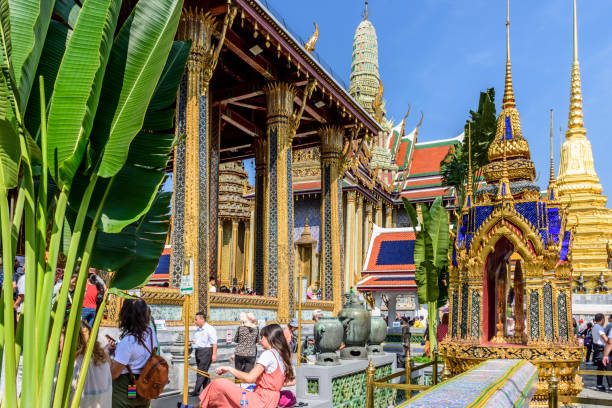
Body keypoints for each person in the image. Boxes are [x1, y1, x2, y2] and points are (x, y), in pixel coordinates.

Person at [199, 323, 295, 408]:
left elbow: (250, 378)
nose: (260, 340)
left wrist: (229, 369)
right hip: (271, 401)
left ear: (269, 337)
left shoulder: (269, 354)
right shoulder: (280, 356)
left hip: (261, 401)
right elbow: (291, 381)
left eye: (262, 337)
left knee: (217, 384)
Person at [110, 299, 158, 408]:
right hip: (144, 386)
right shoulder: (150, 332)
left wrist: (106, 354)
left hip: (126, 388)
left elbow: (114, 373)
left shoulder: (128, 342)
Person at [70, 321, 112, 408]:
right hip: (134, 386)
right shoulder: (103, 362)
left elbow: (115, 373)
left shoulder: (72, 366)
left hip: (127, 388)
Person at [191, 311, 218, 396]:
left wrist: (214, 355)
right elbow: (197, 341)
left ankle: (196, 390)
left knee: (200, 372)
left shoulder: (210, 329)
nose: (195, 321)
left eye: (196, 319)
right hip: (198, 351)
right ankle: (208, 390)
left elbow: (214, 342)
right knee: (204, 372)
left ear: (202, 319)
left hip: (206, 352)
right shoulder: (198, 330)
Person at [591, 313, 611, 391]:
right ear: (602, 319)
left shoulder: (594, 327)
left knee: (600, 368)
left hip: (597, 349)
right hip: (601, 350)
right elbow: (605, 339)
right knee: (608, 367)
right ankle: (610, 386)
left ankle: (599, 384)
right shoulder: (599, 327)